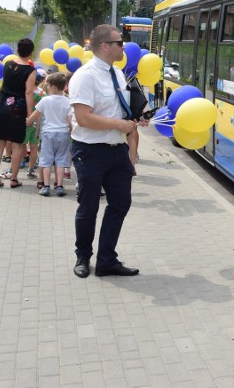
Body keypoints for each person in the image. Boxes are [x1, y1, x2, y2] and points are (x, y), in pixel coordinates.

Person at [69, 24, 148, 279]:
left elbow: (119, 110)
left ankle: (106, 260)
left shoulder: (117, 73)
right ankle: (83, 256)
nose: (123, 46)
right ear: (105, 46)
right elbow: (83, 118)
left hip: (117, 150)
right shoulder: (85, 76)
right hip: (90, 151)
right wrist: (119, 124)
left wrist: (135, 119)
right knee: (88, 206)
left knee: (121, 203)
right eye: (119, 42)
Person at [0, 38, 36, 189]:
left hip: (1, 104)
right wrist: (30, 113)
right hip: (17, 108)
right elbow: (29, 92)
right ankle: (14, 179)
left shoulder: (8, 64)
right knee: (17, 145)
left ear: (17, 50)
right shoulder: (30, 71)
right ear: (31, 52)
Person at [27, 72, 72, 197]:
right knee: (61, 160)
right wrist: (72, 130)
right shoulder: (68, 101)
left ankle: (46, 186)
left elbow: (36, 114)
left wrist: (29, 121)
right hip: (63, 133)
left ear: (52, 87)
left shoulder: (46, 100)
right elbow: (70, 119)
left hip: (48, 133)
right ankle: (59, 186)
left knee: (46, 160)